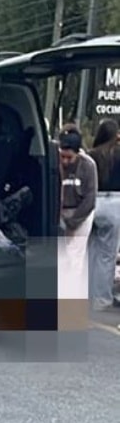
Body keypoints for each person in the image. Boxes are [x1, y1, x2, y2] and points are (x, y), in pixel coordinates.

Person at [56, 129, 97, 305]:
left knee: (75, 257)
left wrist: (73, 222)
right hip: (60, 211)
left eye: (69, 158)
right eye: (62, 157)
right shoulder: (55, 163)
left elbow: (90, 198)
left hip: (81, 213)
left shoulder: (88, 165)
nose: (65, 161)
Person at [87, 119, 120, 311]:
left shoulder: (90, 155)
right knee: (107, 255)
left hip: (93, 201)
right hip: (114, 203)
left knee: (90, 250)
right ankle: (101, 298)